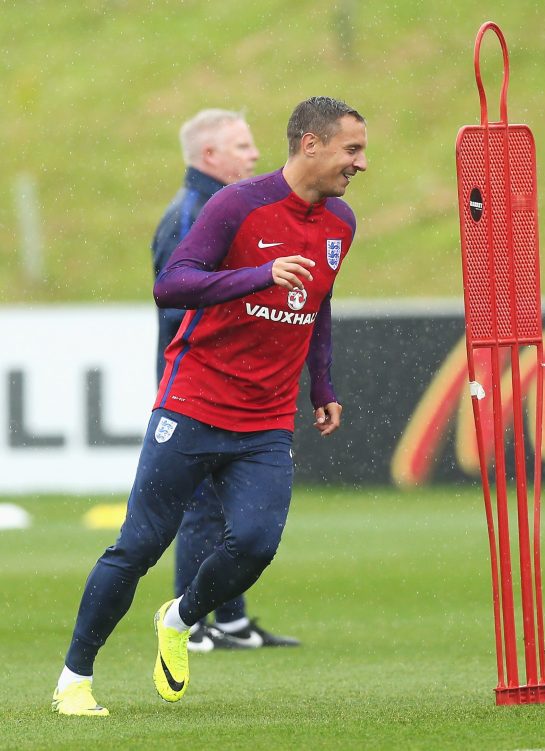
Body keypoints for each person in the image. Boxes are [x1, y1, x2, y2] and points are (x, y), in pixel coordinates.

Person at [52, 96, 368, 716]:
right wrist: (259, 274)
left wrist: (321, 386)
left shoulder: (342, 224)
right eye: (352, 149)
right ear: (311, 144)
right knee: (139, 545)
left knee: (254, 543)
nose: (362, 163)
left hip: (267, 419)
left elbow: (319, 301)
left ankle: (180, 617)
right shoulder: (236, 204)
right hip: (194, 402)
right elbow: (170, 283)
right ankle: (74, 679)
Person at [152, 108, 299, 652]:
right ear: (209, 156)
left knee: (232, 508)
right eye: (242, 146)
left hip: (230, 383)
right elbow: (177, 303)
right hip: (197, 384)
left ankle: (230, 621)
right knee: (202, 508)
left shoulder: (221, 208)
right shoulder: (191, 213)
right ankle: (192, 626)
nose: (255, 155)